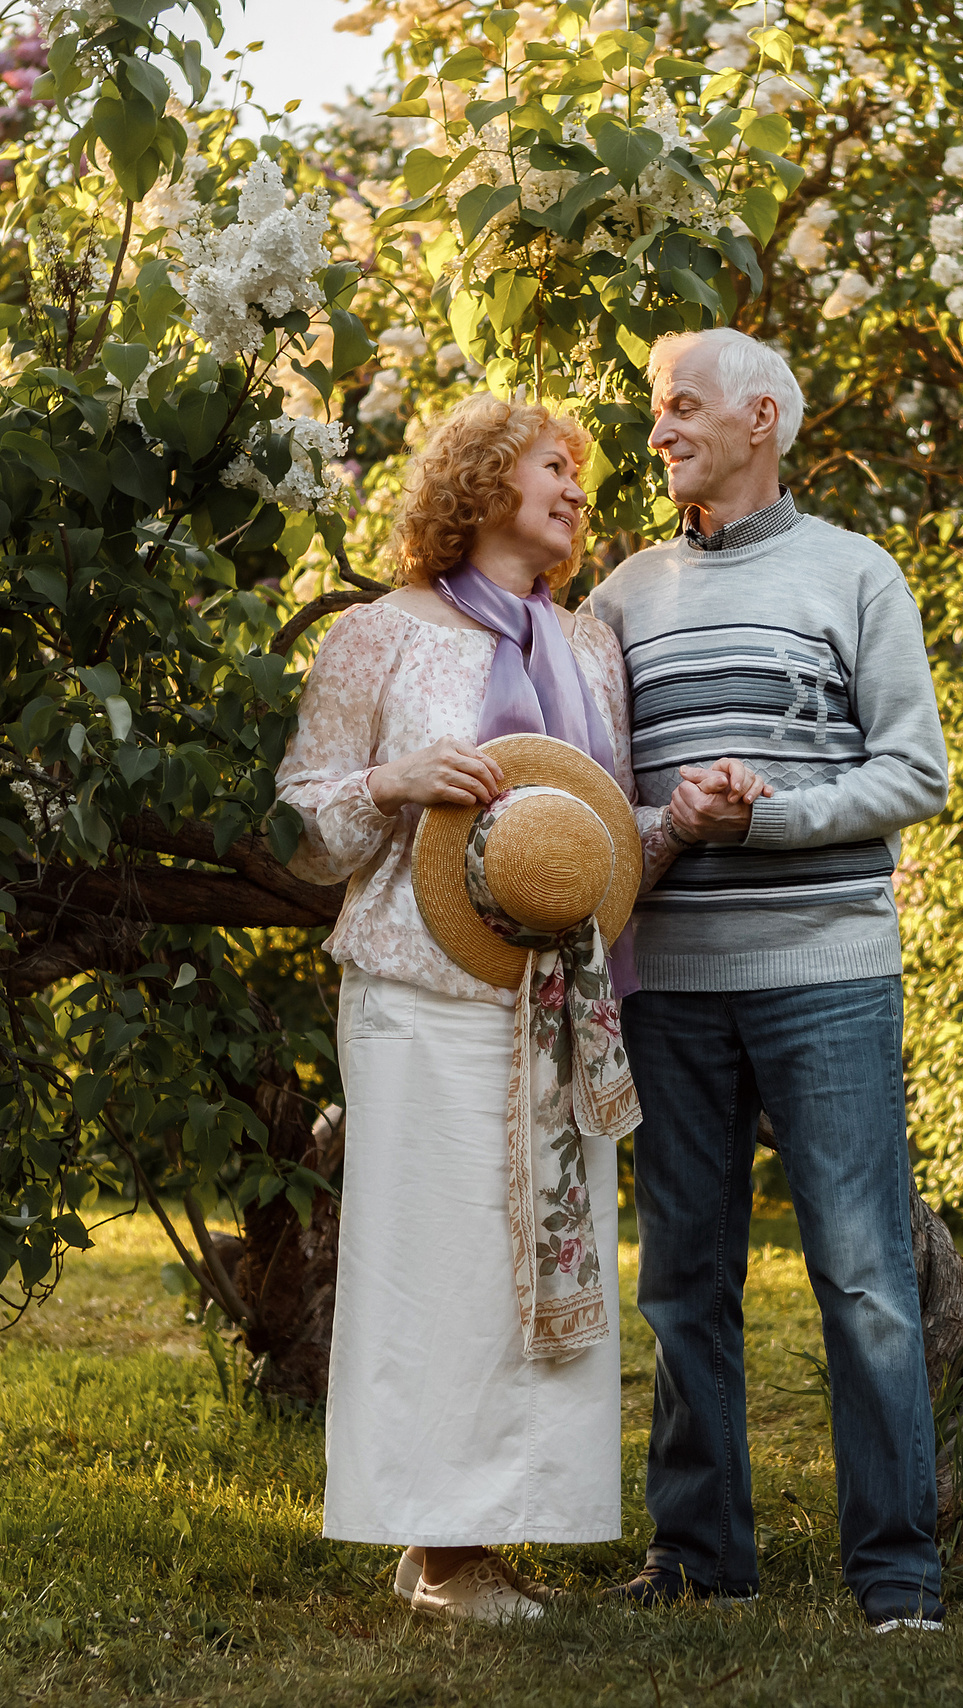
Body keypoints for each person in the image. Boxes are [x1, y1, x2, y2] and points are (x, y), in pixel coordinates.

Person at [275, 392, 687, 1625]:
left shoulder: (591, 649)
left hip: (556, 1007)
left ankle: (473, 1542)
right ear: (481, 481)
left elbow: (592, 848)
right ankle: (443, 1550)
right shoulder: (379, 636)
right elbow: (304, 826)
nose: (575, 489)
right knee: (436, 1268)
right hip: (418, 995)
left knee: (536, 1270)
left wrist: (683, 822)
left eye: (579, 474)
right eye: (552, 467)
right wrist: (395, 779)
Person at [582, 328, 955, 1633]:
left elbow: (917, 775)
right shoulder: (619, 598)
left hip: (827, 971)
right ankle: (699, 1558)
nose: (658, 430)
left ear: (761, 419)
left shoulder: (856, 574)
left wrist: (770, 815)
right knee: (684, 1278)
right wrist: (673, 821)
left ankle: (899, 1575)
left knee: (862, 1277)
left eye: (678, 406)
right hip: (671, 979)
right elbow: (587, 808)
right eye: (653, 409)